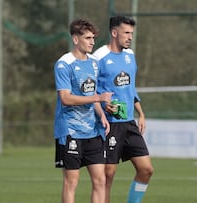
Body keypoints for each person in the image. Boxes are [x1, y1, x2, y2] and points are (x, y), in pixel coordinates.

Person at [93, 15, 154, 203]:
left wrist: (141, 114)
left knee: (146, 170)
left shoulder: (130, 55)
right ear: (114, 32)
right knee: (108, 174)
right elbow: (90, 89)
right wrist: (104, 106)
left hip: (129, 122)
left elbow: (130, 88)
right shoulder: (98, 57)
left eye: (132, 33)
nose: (130, 37)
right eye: (126, 33)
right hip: (109, 125)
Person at [54, 19, 113, 203]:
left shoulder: (94, 63)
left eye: (93, 38)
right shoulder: (64, 64)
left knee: (100, 179)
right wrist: (98, 99)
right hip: (70, 131)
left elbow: (92, 92)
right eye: (87, 38)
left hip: (92, 130)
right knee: (71, 182)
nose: (92, 42)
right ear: (75, 39)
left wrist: (102, 115)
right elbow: (65, 98)